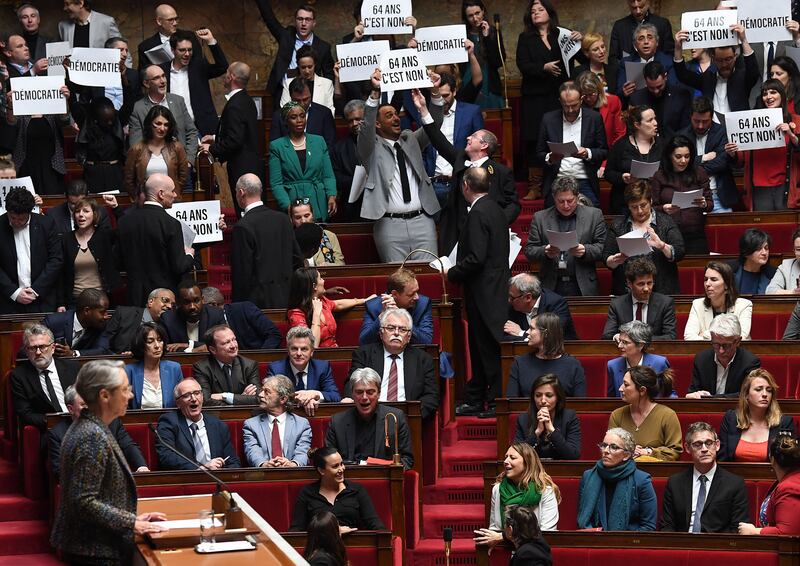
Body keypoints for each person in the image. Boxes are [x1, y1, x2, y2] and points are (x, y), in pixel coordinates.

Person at [50, 360, 167, 564]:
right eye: (124, 389)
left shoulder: (92, 426)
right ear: (104, 395)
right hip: (94, 550)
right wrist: (131, 523)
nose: (130, 395)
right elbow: (83, 501)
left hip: (95, 546)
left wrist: (132, 519)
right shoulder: (91, 435)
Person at [415, 91, 518, 255]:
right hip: (456, 232)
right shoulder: (459, 159)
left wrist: (497, 221)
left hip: (486, 235)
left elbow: (513, 204)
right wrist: (424, 110)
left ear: (484, 145)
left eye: (474, 136)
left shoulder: (500, 172)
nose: (468, 137)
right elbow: (438, 140)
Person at [357, 72, 443, 262]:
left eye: (396, 114)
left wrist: (435, 94)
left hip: (423, 221)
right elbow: (366, 127)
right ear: (378, 124)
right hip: (389, 224)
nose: (396, 118)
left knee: (430, 276)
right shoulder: (369, 148)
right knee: (397, 280)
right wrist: (375, 93)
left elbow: (433, 127)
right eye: (389, 116)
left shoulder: (410, 139)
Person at [445, 167, 509, 417]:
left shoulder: (478, 212)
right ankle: (479, 397)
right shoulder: (494, 208)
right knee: (484, 347)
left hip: (484, 292)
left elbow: (476, 258)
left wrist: (451, 272)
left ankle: (493, 402)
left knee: (487, 348)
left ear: (465, 187)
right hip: (493, 289)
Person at [516, 0, 580, 197]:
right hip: (534, 98)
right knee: (535, 138)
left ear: (549, 13)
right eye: (533, 11)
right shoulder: (525, 37)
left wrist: (579, 40)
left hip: (557, 96)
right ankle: (535, 186)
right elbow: (522, 64)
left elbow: (580, 59)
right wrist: (543, 68)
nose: (536, 13)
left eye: (540, 10)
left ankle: (560, 180)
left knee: (557, 137)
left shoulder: (562, 34)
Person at [117, 173, 194, 306]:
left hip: (134, 297)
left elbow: (118, 261)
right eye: (172, 191)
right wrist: (189, 255)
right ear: (161, 194)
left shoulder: (124, 222)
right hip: (163, 300)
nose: (175, 195)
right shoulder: (171, 224)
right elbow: (179, 267)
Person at [348, 308, 438, 420]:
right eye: (391, 328)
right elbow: (351, 386)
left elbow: (431, 397)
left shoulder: (423, 359)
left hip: (409, 419)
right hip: (370, 418)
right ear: (381, 333)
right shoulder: (364, 354)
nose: (396, 333)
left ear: (409, 337)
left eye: (402, 329)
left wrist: (412, 415)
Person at [524, 177, 607, 297]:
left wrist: (585, 250)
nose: (566, 205)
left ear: (577, 196)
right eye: (561, 201)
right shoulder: (540, 218)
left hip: (583, 284)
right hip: (551, 283)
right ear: (553, 198)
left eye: (570, 200)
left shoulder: (594, 215)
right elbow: (529, 251)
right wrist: (545, 251)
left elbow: (602, 248)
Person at [725, 80, 800, 211]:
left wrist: (791, 134)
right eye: (765, 94)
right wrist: (733, 152)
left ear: (782, 95)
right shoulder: (752, 121)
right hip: (758, 187)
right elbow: (741, 159)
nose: (769, 97)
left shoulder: (796, 121)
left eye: (773, 92)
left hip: (785, 186)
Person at [661, 421, 749, 532]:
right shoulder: (675, 483)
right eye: (697, 444)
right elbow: (667, 525)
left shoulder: (735, 484)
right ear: (688, 448)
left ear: (717, 445)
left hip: (718, 546)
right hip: (683, 544)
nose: (704, 449)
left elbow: (737, 528)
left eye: (708, 443)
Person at [231, 174, 302, 309]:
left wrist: (237, 309)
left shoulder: (243, 226)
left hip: (257, 305)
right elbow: (297, 259)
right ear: (260, 191)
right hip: (287, 299)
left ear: (241, 193)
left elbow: (242, 275)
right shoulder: (283, 219)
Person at [473, 442, 560, 551]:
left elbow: (548, 533)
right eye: (506, 457)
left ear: (527, 463)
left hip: (535, 552)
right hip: (506, 550)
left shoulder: (544, 491)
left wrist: (503, 537)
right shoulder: (498, 489)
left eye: (512, 458)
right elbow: (495, 528)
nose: (505, 461)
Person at [49, 385, 149, 479]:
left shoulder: (112, 422)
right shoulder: (58, 434)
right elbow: (60, 470)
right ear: (71, 409)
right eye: (84, 405)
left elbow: (128, 445)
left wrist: (141, 466)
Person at [603, 181, 685, 296]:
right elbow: (606, 258)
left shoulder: (666, 222)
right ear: (628, 206)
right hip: (627, 292)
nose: (640, 211)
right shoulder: (618, 225)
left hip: (661, 290)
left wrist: (662, 246)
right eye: (634, 207)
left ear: (650, 201)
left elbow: (680, 252)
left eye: (643, 205)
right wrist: (616, 260)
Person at [199, 62, 260, 216]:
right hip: (251, 163)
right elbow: (242, 132)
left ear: (231, 76)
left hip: (241, 167)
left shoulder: (235, 105)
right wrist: (215, 137)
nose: (224, 76)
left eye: (226, 72)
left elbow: (234, 140)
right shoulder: (246, 100)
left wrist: (211, 149)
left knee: (245, 209)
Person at [324, 368, 414, 469]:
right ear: (352, 394)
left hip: (383, 479)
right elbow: (328, 461)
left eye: (370, 392)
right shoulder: (337, 422)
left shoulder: (395, 418)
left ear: (379, 394)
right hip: (347, 479)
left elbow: (407, 460)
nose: (364, 397)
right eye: (359, 392)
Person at [537, 81, 608, 206]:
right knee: (551, 216)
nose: (570, 110)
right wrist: (550, 158)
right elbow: (539, 153)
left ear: (581, 99)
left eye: (574, 105)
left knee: (593, 215)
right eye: (566, 105)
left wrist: (587, 153)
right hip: (558, 179)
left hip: (584, 180)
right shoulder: (548, 119)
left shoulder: (594, 118)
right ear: (560, 101)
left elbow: (604, 151)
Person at [576, 427, 657, 531]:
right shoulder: (588, 477)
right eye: (604, 446)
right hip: (594, 541)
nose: (605, 451)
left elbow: (648, 527)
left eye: (613, 447)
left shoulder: (642, 481)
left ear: (626, 455)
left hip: (628, 543)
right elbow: (583, 518)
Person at [270, 102, 337, 222]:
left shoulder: (319, 141)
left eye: (302, 115)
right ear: (285, 121)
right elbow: (276, 184)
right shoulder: (277, 146)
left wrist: (331, 195)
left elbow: (328, 175)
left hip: (317, 200)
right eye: (293, 117)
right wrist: (288, 206)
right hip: (292, 201)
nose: (299, 120)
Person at [256, 0, 334, 103]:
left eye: (308, 20)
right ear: (295, 21)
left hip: (310, 94)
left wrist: (325, 94)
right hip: (283, 91)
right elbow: (269, 18)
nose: (303, 23)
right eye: (300, 19)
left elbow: (329, 75)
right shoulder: (286, 36)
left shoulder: (323, 47)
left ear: (314, 23)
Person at [290, 447, 384, 531]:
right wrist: (333, 532)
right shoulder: (307, 493)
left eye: (341, 464)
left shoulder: (356, 490)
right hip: (320, 547)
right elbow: (297, 529)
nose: (341, 469)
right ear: (321, 470)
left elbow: (374, 523)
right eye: (335, 466)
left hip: (351, 545)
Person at [0, 187, 62, 314]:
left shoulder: (46, 223)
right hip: (7, 301)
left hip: (42, 299)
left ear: (29, 212)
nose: (16, 222)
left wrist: (36, 290)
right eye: (12, 218)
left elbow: (56, 260)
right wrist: (14, 292)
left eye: (21, 219)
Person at [156, 377, 241, 470]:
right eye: (187, 395)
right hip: (187, 481)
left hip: (216, 479)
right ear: (178, 403)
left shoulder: (218, 426)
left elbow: (233, 461)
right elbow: (166, 456)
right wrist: (200, 468)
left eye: (197, 393)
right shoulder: (169, 422)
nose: (193, 399)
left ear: (202, 397)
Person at [673, 27, 758, 116]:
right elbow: (682, 75)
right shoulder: (707, 78)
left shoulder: (742, 77)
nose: (724, 64)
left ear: (735, 56)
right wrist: (678, 48)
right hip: (713, 127)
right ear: (713, 59)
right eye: (720, 60)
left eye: (728, 59)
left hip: (736, 126)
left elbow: (753, 71)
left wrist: (743, 40)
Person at [10, 324, 79, 432]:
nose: (38, 352)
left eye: (42, 347)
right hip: (50, 430)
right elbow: (25, 413)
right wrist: (55, 422)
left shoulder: (71, 367)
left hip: (78, 423)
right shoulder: (19, 376)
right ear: (27, 352)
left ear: (52, 348)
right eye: (32, 348)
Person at [650, 135, 713, 254]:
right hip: (668, 234)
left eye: (687, 156)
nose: (683, 161)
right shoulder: (659, 176)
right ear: (669, 156)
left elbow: (710, 204)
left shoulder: (699, 173)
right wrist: (663, 208)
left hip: (695, 233)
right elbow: (652, 208)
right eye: (678, 157)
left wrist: (704, 203)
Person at [129, 65, 198, 171]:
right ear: (146, 83)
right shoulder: (138, 107)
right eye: (156, 78)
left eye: (163, 76)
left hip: (181, 166)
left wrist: (188, 160)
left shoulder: (178, 101)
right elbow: (136, 143)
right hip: (153, 168)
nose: (163, 81)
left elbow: (191, 132)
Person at [719, 369, 797, 462]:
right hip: (733, 475)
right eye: (758, 389)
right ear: (746, 394)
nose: (765, 394)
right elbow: (722, 459)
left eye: (769, 390)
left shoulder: (784, 423)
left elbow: (788, 461)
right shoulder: (731, 419)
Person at [161, 28, 228, 136]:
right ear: (173, 50)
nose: (187, 54)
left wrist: (210, 40)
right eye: (182, 50)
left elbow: (222, 66)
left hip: (200, 129)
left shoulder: (198, 67)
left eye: (190, 50)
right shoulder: (162, 71)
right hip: (171, 130)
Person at [678, 96, 739, 213]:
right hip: (691, 195)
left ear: (711, 117)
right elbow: (678, 165)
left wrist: (693, 165)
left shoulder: (723, 132)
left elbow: (722, 163)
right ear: (690, 117)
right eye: (696, 121)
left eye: (705, 121)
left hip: (719, 196)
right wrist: (703, 158)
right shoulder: (681, 136)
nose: (700, 126)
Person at [287, 267, 371, 348]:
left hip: (334, 354)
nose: (324, 281)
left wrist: (365, 300)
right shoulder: (296, 314)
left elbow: (338, 304)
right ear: (314, 286)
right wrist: (316, 314)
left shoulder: (322, 300)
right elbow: (311, 346)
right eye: (320, 278)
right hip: (317, 359)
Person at [610, 366, 682, 461]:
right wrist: (628, 451)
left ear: (642, 390)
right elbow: (610, 448)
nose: (620, 389)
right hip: (623, 473)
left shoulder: (667, 416)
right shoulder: (617, 415)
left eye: (626, 385)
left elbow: (675, 451)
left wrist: (648, 452)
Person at [507, 312, 586, 398]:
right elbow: (512, 403)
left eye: (532, 328)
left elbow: (580, 404)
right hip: (528, 411)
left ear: (546, 333)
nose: (527, 332)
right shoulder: (520, 363)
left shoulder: (573, 365)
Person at [58, 198, 118, 309]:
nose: (80, 215)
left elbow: (124, 231)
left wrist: (116, 208)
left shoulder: (104, 236)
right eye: (77, 211)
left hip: (102, 299)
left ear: (94, 215)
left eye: (85, 211)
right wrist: (61, 303)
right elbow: (61, 274)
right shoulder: (66, 239)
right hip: (75, 301)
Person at [268, 326, 343, 414]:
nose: (299, 353)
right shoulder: (276, 369)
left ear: (311, 352)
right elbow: (270, 397)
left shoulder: (322, 367)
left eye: (304, 349)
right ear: (288, 351)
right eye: (294, 349)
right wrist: (305, 399)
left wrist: (314, 394)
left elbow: (335, 396)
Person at [604, 105, 664, 214]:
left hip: (654, 202)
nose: (655, 123)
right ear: (637, 125)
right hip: (625, 204)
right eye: (650, 120)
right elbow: (608, 173)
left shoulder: (662, 144)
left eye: (655, 118)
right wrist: (622, 178)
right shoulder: (620, 145)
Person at [242, 374, 312, 467]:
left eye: (266, 392)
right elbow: (252, 451)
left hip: (292, 474)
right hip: (264, 476)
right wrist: (264, 464)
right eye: (262, 390)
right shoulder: (251, 425)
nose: (260, 395)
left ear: (283, 399)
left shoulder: (301, 424)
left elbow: (303, 451)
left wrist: (293, 464)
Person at [738, 432, 800, 535]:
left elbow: (787, 533)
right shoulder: (789, 480)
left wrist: (755, 531)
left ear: (772, 460)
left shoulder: (790, 487)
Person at [687, 314, 761, 399]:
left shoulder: (750, 362)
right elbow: (693, 391)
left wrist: (711, 398)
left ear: (738, 341)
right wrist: (693, 395)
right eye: (716, 344)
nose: (721, 351)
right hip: (706, 410)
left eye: (726, 345)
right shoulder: (701, 359)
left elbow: (747, 394)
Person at [602, 257, 676, 340]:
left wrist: (636, 340)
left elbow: (670, 337)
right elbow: (607, 336)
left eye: (649, 283)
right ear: (629, 284)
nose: (646, 288)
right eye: (641, 284)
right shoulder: (617, 304)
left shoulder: (665, 303)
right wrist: (618, 337)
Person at [124, 105, 188, 201]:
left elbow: (183, 177)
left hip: (172, 201)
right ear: (150, 124)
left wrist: (173, 193)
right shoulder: (137, 149)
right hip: (146, 203)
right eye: (158, 123)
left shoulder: (177, 148)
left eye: (166, 125)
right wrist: (139, 198)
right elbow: (129, 180)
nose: (162, 128)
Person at [360, 268, 433, 345]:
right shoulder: (373, 307)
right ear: (394, 294)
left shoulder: (422, 304)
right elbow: (363, 342)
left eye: (417, 291)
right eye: (411, 294)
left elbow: (426, 341)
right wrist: (382, 316)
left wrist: (403, 319)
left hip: (412, 354)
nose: (417, 297)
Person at [514, 374, 580, 460]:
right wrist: (537, 433)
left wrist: (552, 430)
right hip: (531, 471)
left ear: (558, 397)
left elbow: (573, 455)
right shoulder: (523, 419)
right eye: (538, 395)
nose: (543, 401)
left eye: (549, 395)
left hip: (562, 470)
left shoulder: (569, 418)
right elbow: (516, 455)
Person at [192, 324, 260, 406]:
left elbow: (259, 398)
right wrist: (241, 399)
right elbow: (205, 401)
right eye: (226, 342)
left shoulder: (249, 365)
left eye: (234, 340)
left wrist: (226, 396)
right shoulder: (202, 368)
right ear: (213, 349)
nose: (234, 346)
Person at [684, 261, 753, 341]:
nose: (707, 284)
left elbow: (741, 337)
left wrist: (705, 334)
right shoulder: (698, 304)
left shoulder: (744, 305)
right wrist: (727, 335)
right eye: (706, 279)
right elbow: (689, 338)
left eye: (713, 279)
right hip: (706, 352)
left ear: (726, 285)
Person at [201, 286, 281, 350]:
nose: (202, 311)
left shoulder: (245, 309)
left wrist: (261, 356)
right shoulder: (206, 321)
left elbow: (273, 334)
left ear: (213, 305)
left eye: (204, 307)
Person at [629, 61, 692, 141]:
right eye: (651, 87)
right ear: (645, 81)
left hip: (674, 144)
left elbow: (686, 128)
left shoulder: (681, 95)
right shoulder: (636, 99)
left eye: (659, 86)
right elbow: (634, 130)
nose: (656, 91)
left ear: (665, 77)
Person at [504, 272, 577, 341]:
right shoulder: (512, 307)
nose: (509, 300)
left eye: (512, 298)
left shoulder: (556, 304)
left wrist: (521, 333)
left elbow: (551, 336)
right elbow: (504, 337)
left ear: (528, 298)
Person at [125, 323, 182, 410]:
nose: (157, 346)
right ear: (141, 345)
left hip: (170, 421)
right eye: (150, 342)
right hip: (139, 422)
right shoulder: (129, 371)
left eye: (160, 340)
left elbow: (182, 401)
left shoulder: (174, 369)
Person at [575, 71, 625, 170]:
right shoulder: (576, 106)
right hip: (581, 158)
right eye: (585, 95)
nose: (588, 99)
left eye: (591, 94)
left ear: (599, 90)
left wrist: (606, 161)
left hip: (608, 156)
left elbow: (620, 135)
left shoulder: (613, 101)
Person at [75, 97, 125, 193]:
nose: (110, 122)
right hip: (93, 174)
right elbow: (76, 107)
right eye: (106, 120)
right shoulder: (87, 126)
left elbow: (128, 106)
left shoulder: (117, 125)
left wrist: (127, 85)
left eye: (112, 119)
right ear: (96, 119)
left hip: (114, 173)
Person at [270, 77, 336, 150]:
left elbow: (330, 145)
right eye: (297, 100)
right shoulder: (279, 116)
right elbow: (275, 147)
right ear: (291, 97)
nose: (302, 104)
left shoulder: (324, 114)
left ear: (311, 95)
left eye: (305, 99)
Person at [607, 321, 670, 398]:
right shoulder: (613, 366)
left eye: (625, 342)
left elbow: (669, 395)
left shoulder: (659, 363)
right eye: (620, 341)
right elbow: (611, 398)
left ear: (640, 345)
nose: (619, 346)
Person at [461, 1, 506, 108]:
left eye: (477, 13)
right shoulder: (462, 34)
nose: (475, 18)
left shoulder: (494, 32)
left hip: (490, 87)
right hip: (469, 85)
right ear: (466, 17)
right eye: (470, 16)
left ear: (483, 11)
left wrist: (487, 37)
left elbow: (498, 62)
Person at [159, 280, 225, 352]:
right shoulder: (168, 319)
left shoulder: (215, 315)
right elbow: (164, 348)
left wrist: (190, 345)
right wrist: (197, 348)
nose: (192, 307)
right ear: (178, 303)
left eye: (196, 300)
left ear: (202, 299)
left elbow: (222, 344)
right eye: (186, 302)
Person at [42, 288, 111, 358]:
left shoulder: (101, 325)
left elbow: (102, 350)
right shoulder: (52, 322)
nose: (106, 316)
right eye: (102, 312)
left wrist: (73, 353)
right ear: (87, 311)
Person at [104, 288, 175, 354]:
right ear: (151, 302)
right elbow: (105, 344)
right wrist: (119, 357)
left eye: (173, 305)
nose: (170, 306)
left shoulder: (168, 325)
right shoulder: (123, 314)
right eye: (165, 300)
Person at [617, 23, 677, 99]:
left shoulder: (668, 61)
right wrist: (624, 92)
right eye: (641, 39)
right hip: (636, 104)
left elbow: (673, 88)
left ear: (657, 42)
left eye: (650, 37)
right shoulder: (626, 62)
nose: (646, 42)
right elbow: (619, 91)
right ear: (635, 45)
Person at [609, 0, 674, 62]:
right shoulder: (619, 26)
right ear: (628, 4)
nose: (638, 11)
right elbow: (613, 58)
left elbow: (669, 53)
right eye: (634, 8)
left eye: (641, 7)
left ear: (648, 2)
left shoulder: (662, 24)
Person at [332, 99, 365, 220]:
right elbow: (336, 177)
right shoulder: (339, 148)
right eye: (350, 121)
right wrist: (359, 181)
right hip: (353, 204)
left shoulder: (381, 141)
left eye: (358, 119)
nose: (354, 123)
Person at [278, 44, 334, 115]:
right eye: (303, 67)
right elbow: (285, 109)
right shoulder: (288, 83)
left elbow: (330, 111)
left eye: (310, 67)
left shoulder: (326, 84)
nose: (307, 71)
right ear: (298, 66)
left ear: (315, 65)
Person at [289, 199, 344, 266]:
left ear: (313, 215)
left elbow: (341, 264)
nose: (303, 221)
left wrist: (328, 265)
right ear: (292, 219)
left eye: (306, 216)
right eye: (298, 217)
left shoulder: (329, 235)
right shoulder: (288, 239)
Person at [728, 229, 777, 295]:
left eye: (766, 248)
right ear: (746, 252)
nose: (764, 253)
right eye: (759, 249)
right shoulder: (730, 270)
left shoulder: (773, 274)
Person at [767, 228, 800, 294]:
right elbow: (770, 291)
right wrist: (793, 292)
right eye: (798, 249)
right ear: (794, 251)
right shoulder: (786, 266)